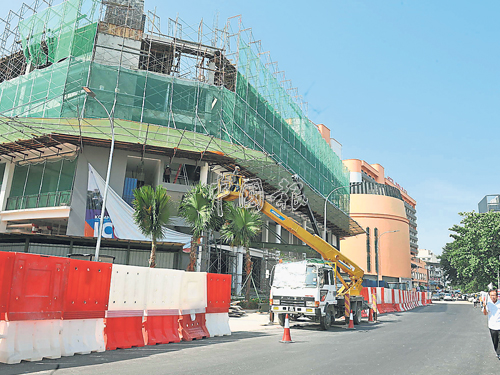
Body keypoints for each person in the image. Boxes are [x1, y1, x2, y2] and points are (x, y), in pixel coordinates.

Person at [483, 289, 500, 359]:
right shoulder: (488, 304)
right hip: (492, 325)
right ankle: (497, 351)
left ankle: (499, 353)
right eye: (491, 295)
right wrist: (484, 307)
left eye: (494, 295)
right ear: (489, 296)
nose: (493, 297)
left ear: (497, 296)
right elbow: (485, 313)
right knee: (495, 340)